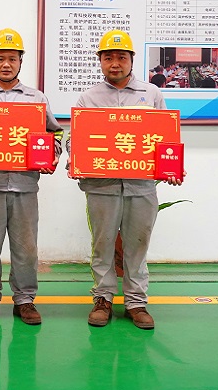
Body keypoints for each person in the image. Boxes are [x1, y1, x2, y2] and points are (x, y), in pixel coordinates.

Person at [67, 29, 184, 330]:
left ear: (132, 59)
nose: (115, 63)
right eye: (108, 58)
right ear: (100, 61)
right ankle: (103, 299)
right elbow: (74, 139)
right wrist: (74, 157)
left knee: (138, 245)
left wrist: (171, 167)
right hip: (101, 186)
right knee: (103, 245)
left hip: (140, 185)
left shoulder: (151, 94)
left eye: (121, 57)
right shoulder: (89, 98)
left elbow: (165, 140)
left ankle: (136, 302)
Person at [0, 28, 62, 326]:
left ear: (21, 61)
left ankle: (25, 300)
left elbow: (55, 134)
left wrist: (52, 155)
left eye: (12, 58)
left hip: (24, 186)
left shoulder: (37, 98)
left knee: (26, 248)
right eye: (0, 58)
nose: (6, 64)